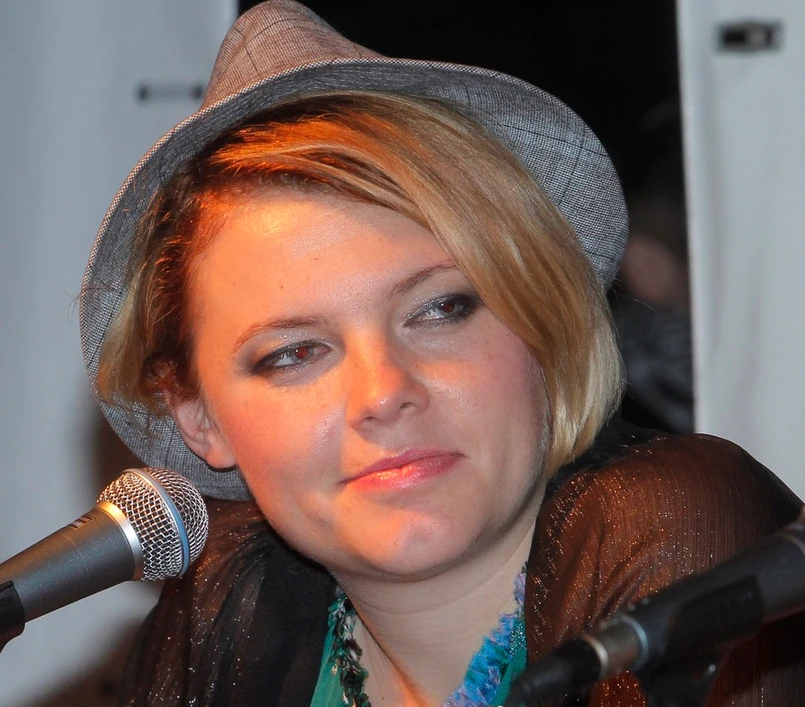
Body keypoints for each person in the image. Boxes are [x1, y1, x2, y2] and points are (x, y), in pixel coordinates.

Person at [79, 2, 805, 705]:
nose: (383, 391)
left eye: (438, 310)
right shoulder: (225, 603)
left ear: (540, 323)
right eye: (295, 352)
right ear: (199, 417)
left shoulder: (676, 526)